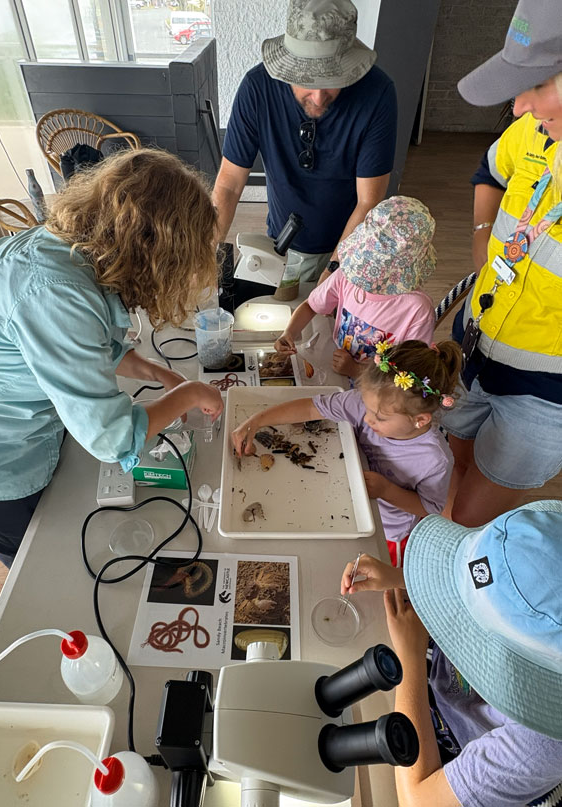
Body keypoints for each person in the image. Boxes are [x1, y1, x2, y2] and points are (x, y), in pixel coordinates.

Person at [0, 149, 223, 567]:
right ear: (153, 248)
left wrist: (154, 371)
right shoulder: (56, 292)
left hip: (21, 428)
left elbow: (85, 343)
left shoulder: (66, 250)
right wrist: (188, 394)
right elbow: (112, 437)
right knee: (43, 568)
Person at [340, 499, 562, 807]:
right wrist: (407, 579)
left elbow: (417, 800)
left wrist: (409, 658)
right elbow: (506, 584)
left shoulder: (544, 744)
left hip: (447, 758)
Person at [442, 0, 562, 527]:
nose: (518, 107)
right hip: (474, 349)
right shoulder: (534, 131)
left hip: (543, 396)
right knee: (454, 466)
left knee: (464, 520)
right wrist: (481, 238)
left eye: (538, 85)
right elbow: (489, 172)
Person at [213, 0, 397, 283]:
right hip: (282, 241)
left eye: (333, 80)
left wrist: (331, 275)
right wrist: (207, 253)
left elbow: (368, 202)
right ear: (287, 68)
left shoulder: (377, 94)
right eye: (306, 81)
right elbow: (229, 183)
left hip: (351, 245)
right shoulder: (257, 88)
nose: (319, 96)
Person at [232, 339, 462, 566]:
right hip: (343, 495)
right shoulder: (367, 405)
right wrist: (257, 420)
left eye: (380, 418)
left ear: (420, 420)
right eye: (367, 407)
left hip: (388, 529)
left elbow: (429, 507)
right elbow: (312, 407)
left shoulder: (435, 459)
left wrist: (386, 490)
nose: (368, 418)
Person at [273, 196, 437, 380]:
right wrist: (289, 333)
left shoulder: (417, 309)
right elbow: (311, 306)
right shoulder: (347, 275)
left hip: (379, 394)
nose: (364, 275)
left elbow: (411, 374)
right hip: (337, 373)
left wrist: (356, 371)